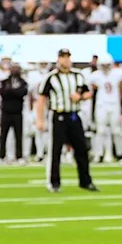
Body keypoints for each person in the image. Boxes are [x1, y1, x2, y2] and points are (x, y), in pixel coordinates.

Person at [36, 49, 97, 193]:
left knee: (82, 149)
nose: (66, 60)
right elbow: (42, 99)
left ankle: (85, 181)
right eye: (63, 57)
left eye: (67, 57)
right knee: (55, 150)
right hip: (58, 116)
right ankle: (54, 182)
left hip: (74, 115)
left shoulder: (78, 75)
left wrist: (80, 97)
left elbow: (88, 93)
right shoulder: (51, 77)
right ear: (58, 59)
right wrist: (40, 120)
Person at [89, 54, 122, 163]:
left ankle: (120, 154)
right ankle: (99, 154)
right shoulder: (95, 75)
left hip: (114, 104)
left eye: (107, 65)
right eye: (103, 65)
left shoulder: (118, 73)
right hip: (101, 104)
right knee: (100, 130)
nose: (105, 67)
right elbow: (90, 86)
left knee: (116, 130)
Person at [0, 64, 28, 164]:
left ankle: (19, 156)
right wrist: (14, 91)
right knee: (3, 135)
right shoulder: (4, 82)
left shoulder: (23, 82)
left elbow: (22, 93)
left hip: (17, 112)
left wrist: (11, 91)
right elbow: (3, 93)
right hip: (6, 111)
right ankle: (1, 156)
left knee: (18, 135)